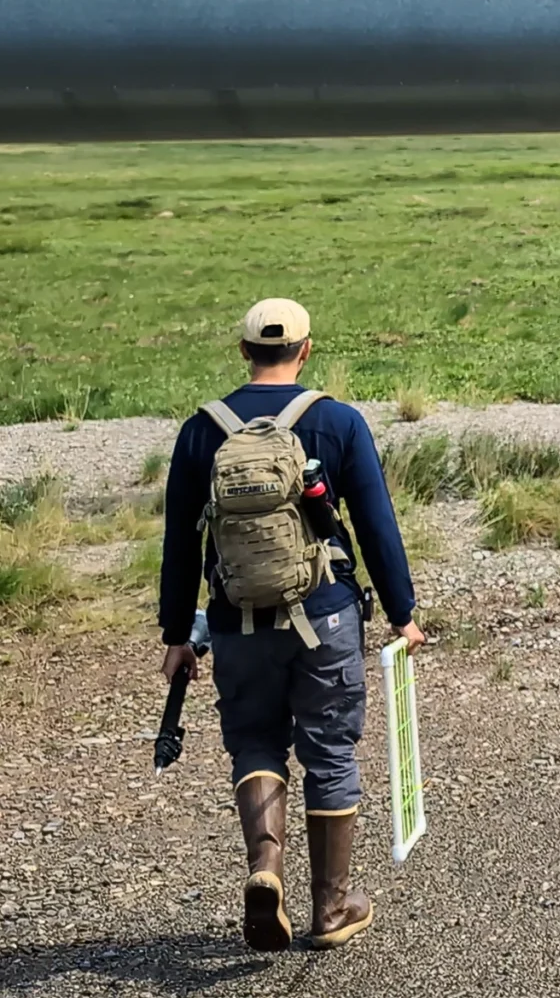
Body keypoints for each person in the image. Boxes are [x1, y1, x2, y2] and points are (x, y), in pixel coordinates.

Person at [159, 298, 422, 954]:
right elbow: (375, 523)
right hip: (324, 615)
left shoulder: (202, 431)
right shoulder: (336, 421)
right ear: (307, 350)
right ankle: (331, 908)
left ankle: (265, 869)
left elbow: (178, 545)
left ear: (243, 351)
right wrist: (404, 614)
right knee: (329, 752)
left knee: (254, 742)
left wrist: (174, 635)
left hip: (234, 620)